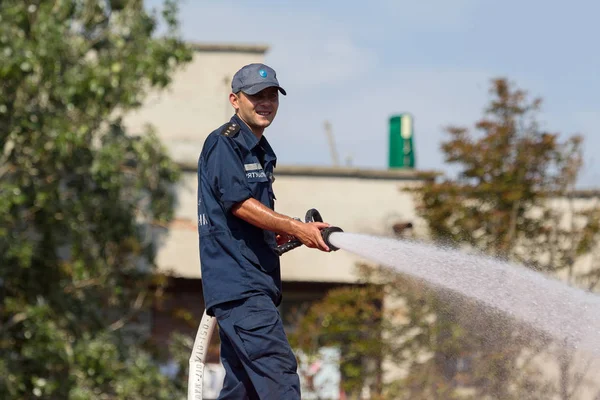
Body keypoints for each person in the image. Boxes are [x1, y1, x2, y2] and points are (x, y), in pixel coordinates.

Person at [197, 63, 331, 399]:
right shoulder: (224, 144)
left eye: (271, 95)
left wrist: (280, 234)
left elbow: (248, 218)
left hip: (250, 288)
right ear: (234, 100)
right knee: (279, 376)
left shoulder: (259, 149)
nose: (265, 102)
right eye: (256, 96)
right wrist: (295, 227)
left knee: (243, 389)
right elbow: (239, 203)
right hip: (243, 288)